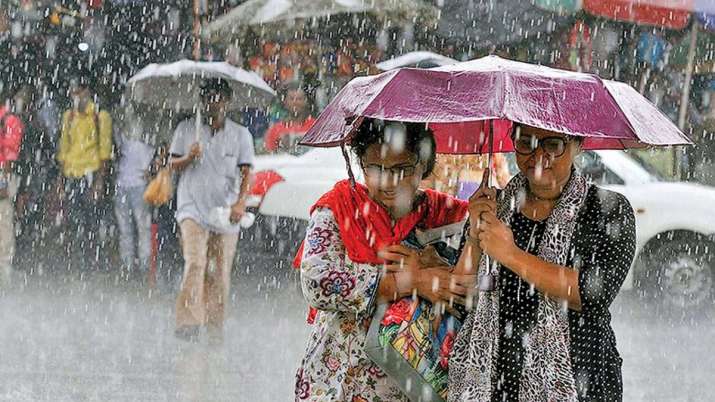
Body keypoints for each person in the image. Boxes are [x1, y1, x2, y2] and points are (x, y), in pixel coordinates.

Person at [448, 125, 636, 402]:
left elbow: (592, 294)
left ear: (577, 144)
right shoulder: (494, 207)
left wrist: (510, 254)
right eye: (526, 142)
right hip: (497, 383)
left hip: (579, 380)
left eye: (552, 144)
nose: (537, 155)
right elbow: (460, 292)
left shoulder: (608, 209)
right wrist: (476, 238)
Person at [293, 119, 474, 401]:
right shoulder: (339, 208)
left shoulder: (440, 214)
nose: (388, 181)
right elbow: (318, 282)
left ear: (423, 166)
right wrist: (409, 281)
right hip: (341, 377)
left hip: (409, 381)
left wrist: (436, 265)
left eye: (402, 169)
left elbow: (477, 273)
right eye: (376, 168)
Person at [169, 78, 254, 343]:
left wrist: (241, 203)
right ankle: (188, 322)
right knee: (195, 262)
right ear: (202, 101)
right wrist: (188, 157)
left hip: (225, 210)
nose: (213, 103)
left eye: (218, 98)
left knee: (219, 271)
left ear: (227, 101)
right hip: (191, 206)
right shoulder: (186, 129)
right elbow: (172, 164)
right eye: (208, 98)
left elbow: (246, 171)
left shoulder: (241, 134)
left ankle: (214, 322)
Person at [56, 72, 113, 268]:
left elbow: (105, 153)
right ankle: (74, 263)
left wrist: (99, 183)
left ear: (87, 92)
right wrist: (60, 182)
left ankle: (91, 263)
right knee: (71, 222)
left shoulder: (100, 116)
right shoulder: (68, 117)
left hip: (91, 177)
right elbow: (63, 150)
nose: (75, 96)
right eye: (73, 92)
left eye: (78, 92)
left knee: (92, 224)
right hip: (72, 176)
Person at [13, 83, 60, 268]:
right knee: (26, 218)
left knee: (25, 217)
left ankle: (22, 256)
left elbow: (33, 155)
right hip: (29, 177)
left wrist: (26, 185)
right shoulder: (27, 123)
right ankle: (24, 255)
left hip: (28, 178)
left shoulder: (30, 125)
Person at [113, 103, 155, 281]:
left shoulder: (150, 135)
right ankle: (131, 265)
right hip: (125, 184)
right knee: (131, 228)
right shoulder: (121, 132)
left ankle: (138, 265)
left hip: (136, 185)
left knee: (136, 228)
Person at [0, 88, 25, 286]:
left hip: (2, 176)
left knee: (4, 221)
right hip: (4, 175)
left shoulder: (9, 121)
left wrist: (5, 180)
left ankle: (4, 271)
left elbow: (10, 154)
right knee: (4, 223)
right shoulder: (10, 120)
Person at [263, 82, 316, 154]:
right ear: (285, 102)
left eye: (299, 99)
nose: (295, 102)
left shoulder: (316, 126)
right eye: (291, 99)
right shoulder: (275, 130)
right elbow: (269, 155)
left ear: (306, 102)